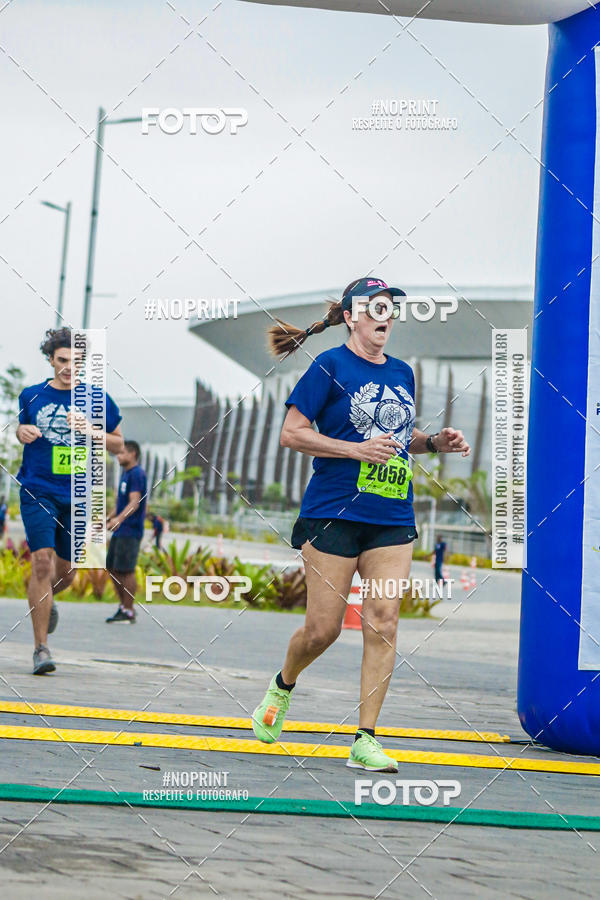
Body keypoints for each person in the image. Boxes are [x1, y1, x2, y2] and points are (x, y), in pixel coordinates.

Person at [251, 277, 471, 772]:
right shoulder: (328, 367)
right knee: (322, 630)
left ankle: (365, 738)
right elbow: (292, 433)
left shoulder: (403, 373)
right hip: (333, 513)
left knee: (384, 619)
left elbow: (394, 436)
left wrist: (434, 442)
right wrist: (354, 450)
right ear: (351, 316)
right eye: (375, 308)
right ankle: (283, 684)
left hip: (391, 516)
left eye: (390, 309)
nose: (385, 316)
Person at [17, 328, 123, 674]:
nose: (68, 368)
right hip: (38, 489)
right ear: (51, 359)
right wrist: (22, 432)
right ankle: (41, 648)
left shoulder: (97, 399)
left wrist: (90, 430)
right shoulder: (31, 395)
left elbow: (119, 445)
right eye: (62, 361)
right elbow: (22, 429)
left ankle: (49, 599)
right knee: (42, 563)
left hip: (80, 495)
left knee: (67, 574)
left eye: (76, 362)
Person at [105, 440, 147, 623]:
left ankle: (128, 611)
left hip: (130, 530)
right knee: (112, 567)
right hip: (121, 531)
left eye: (122, 453)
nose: (118, 456)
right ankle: (124, 607)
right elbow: (121, 503)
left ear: (133, 454)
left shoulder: (137, 474)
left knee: (126, 570)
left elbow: (134, 503)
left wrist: (119, 520)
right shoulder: (126, 474)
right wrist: (108, 518)